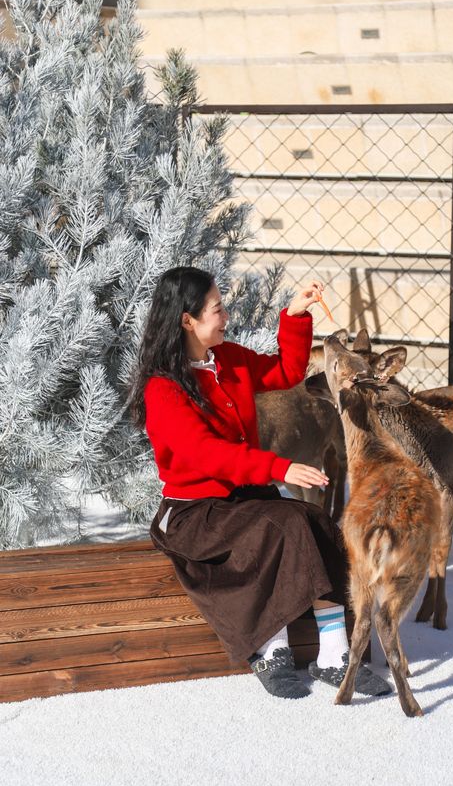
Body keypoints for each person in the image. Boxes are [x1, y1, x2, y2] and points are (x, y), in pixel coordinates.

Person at [130, 266, 390, 700]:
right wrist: (278, 467)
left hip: (247, 500)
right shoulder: (163, 388)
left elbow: (285, 373)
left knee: (318, 523)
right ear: (186, 320)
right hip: (196, 511)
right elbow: (203, 452)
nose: (226, 315)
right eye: (217, 309)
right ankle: (271, 649)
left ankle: (333, 654)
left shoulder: (227, 359)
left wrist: (294, 314)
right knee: (279, 528)